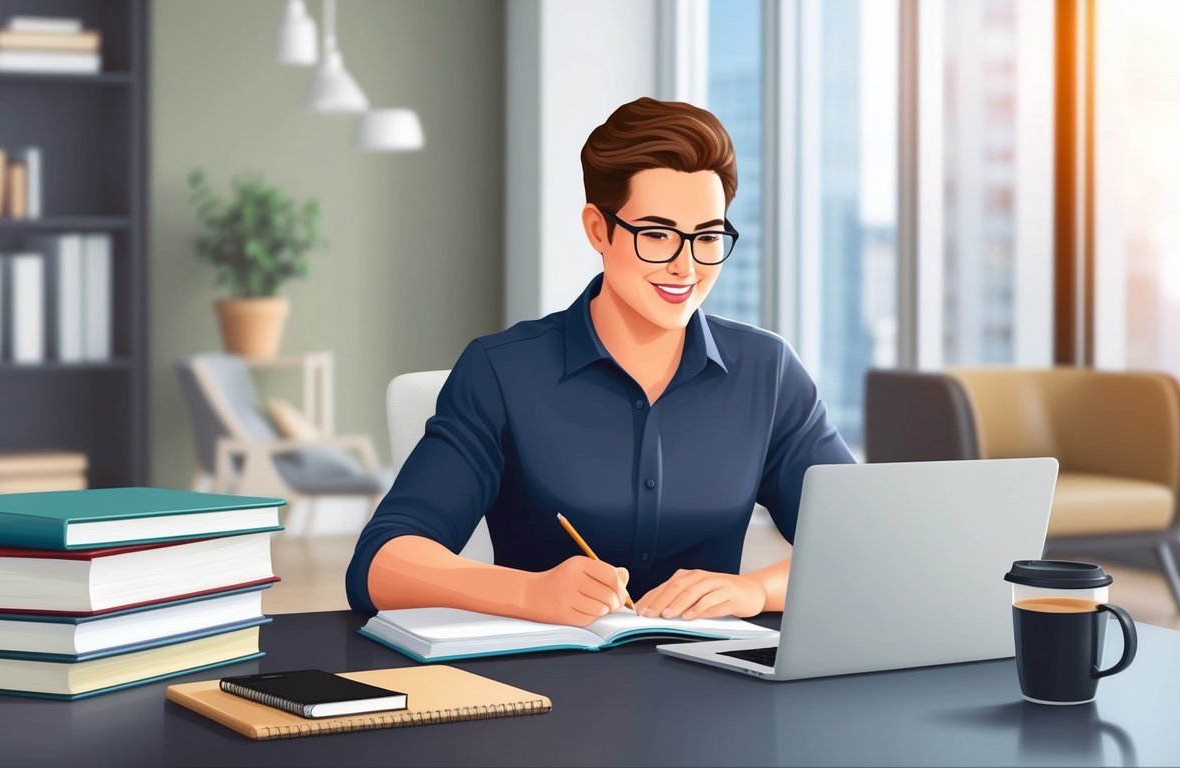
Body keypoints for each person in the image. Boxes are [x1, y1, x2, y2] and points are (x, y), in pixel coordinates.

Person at [346, 96, 853, 627]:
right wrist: (528, 593)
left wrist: (754, 591)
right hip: (545, 686)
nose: (685, 266)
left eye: (706, 237)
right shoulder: (503, 373)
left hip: (719, 682)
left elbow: (862, 541)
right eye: (657, 235)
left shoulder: (766, 372)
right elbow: (380, 564)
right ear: (598, 229)